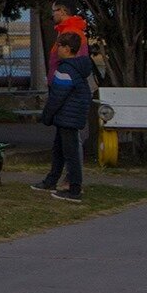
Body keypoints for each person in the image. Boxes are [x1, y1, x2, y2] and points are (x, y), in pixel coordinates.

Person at [31, 32, 94, 203]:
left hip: (67, 117)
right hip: (70, 116)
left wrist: (47, 116)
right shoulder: (78, 68)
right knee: (58, 150)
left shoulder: (65, 69)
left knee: (70, 153)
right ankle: (51, 180)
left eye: (59, 46)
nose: (56, 49)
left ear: (67, 49)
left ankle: (74, 190)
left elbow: (57, 97)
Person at [47, 0, 89, 77]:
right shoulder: (69, 29)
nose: (52, 14)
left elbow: (66, 60)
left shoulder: (69, 32)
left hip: (65, 83)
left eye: (54, 11)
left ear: (62, 11)